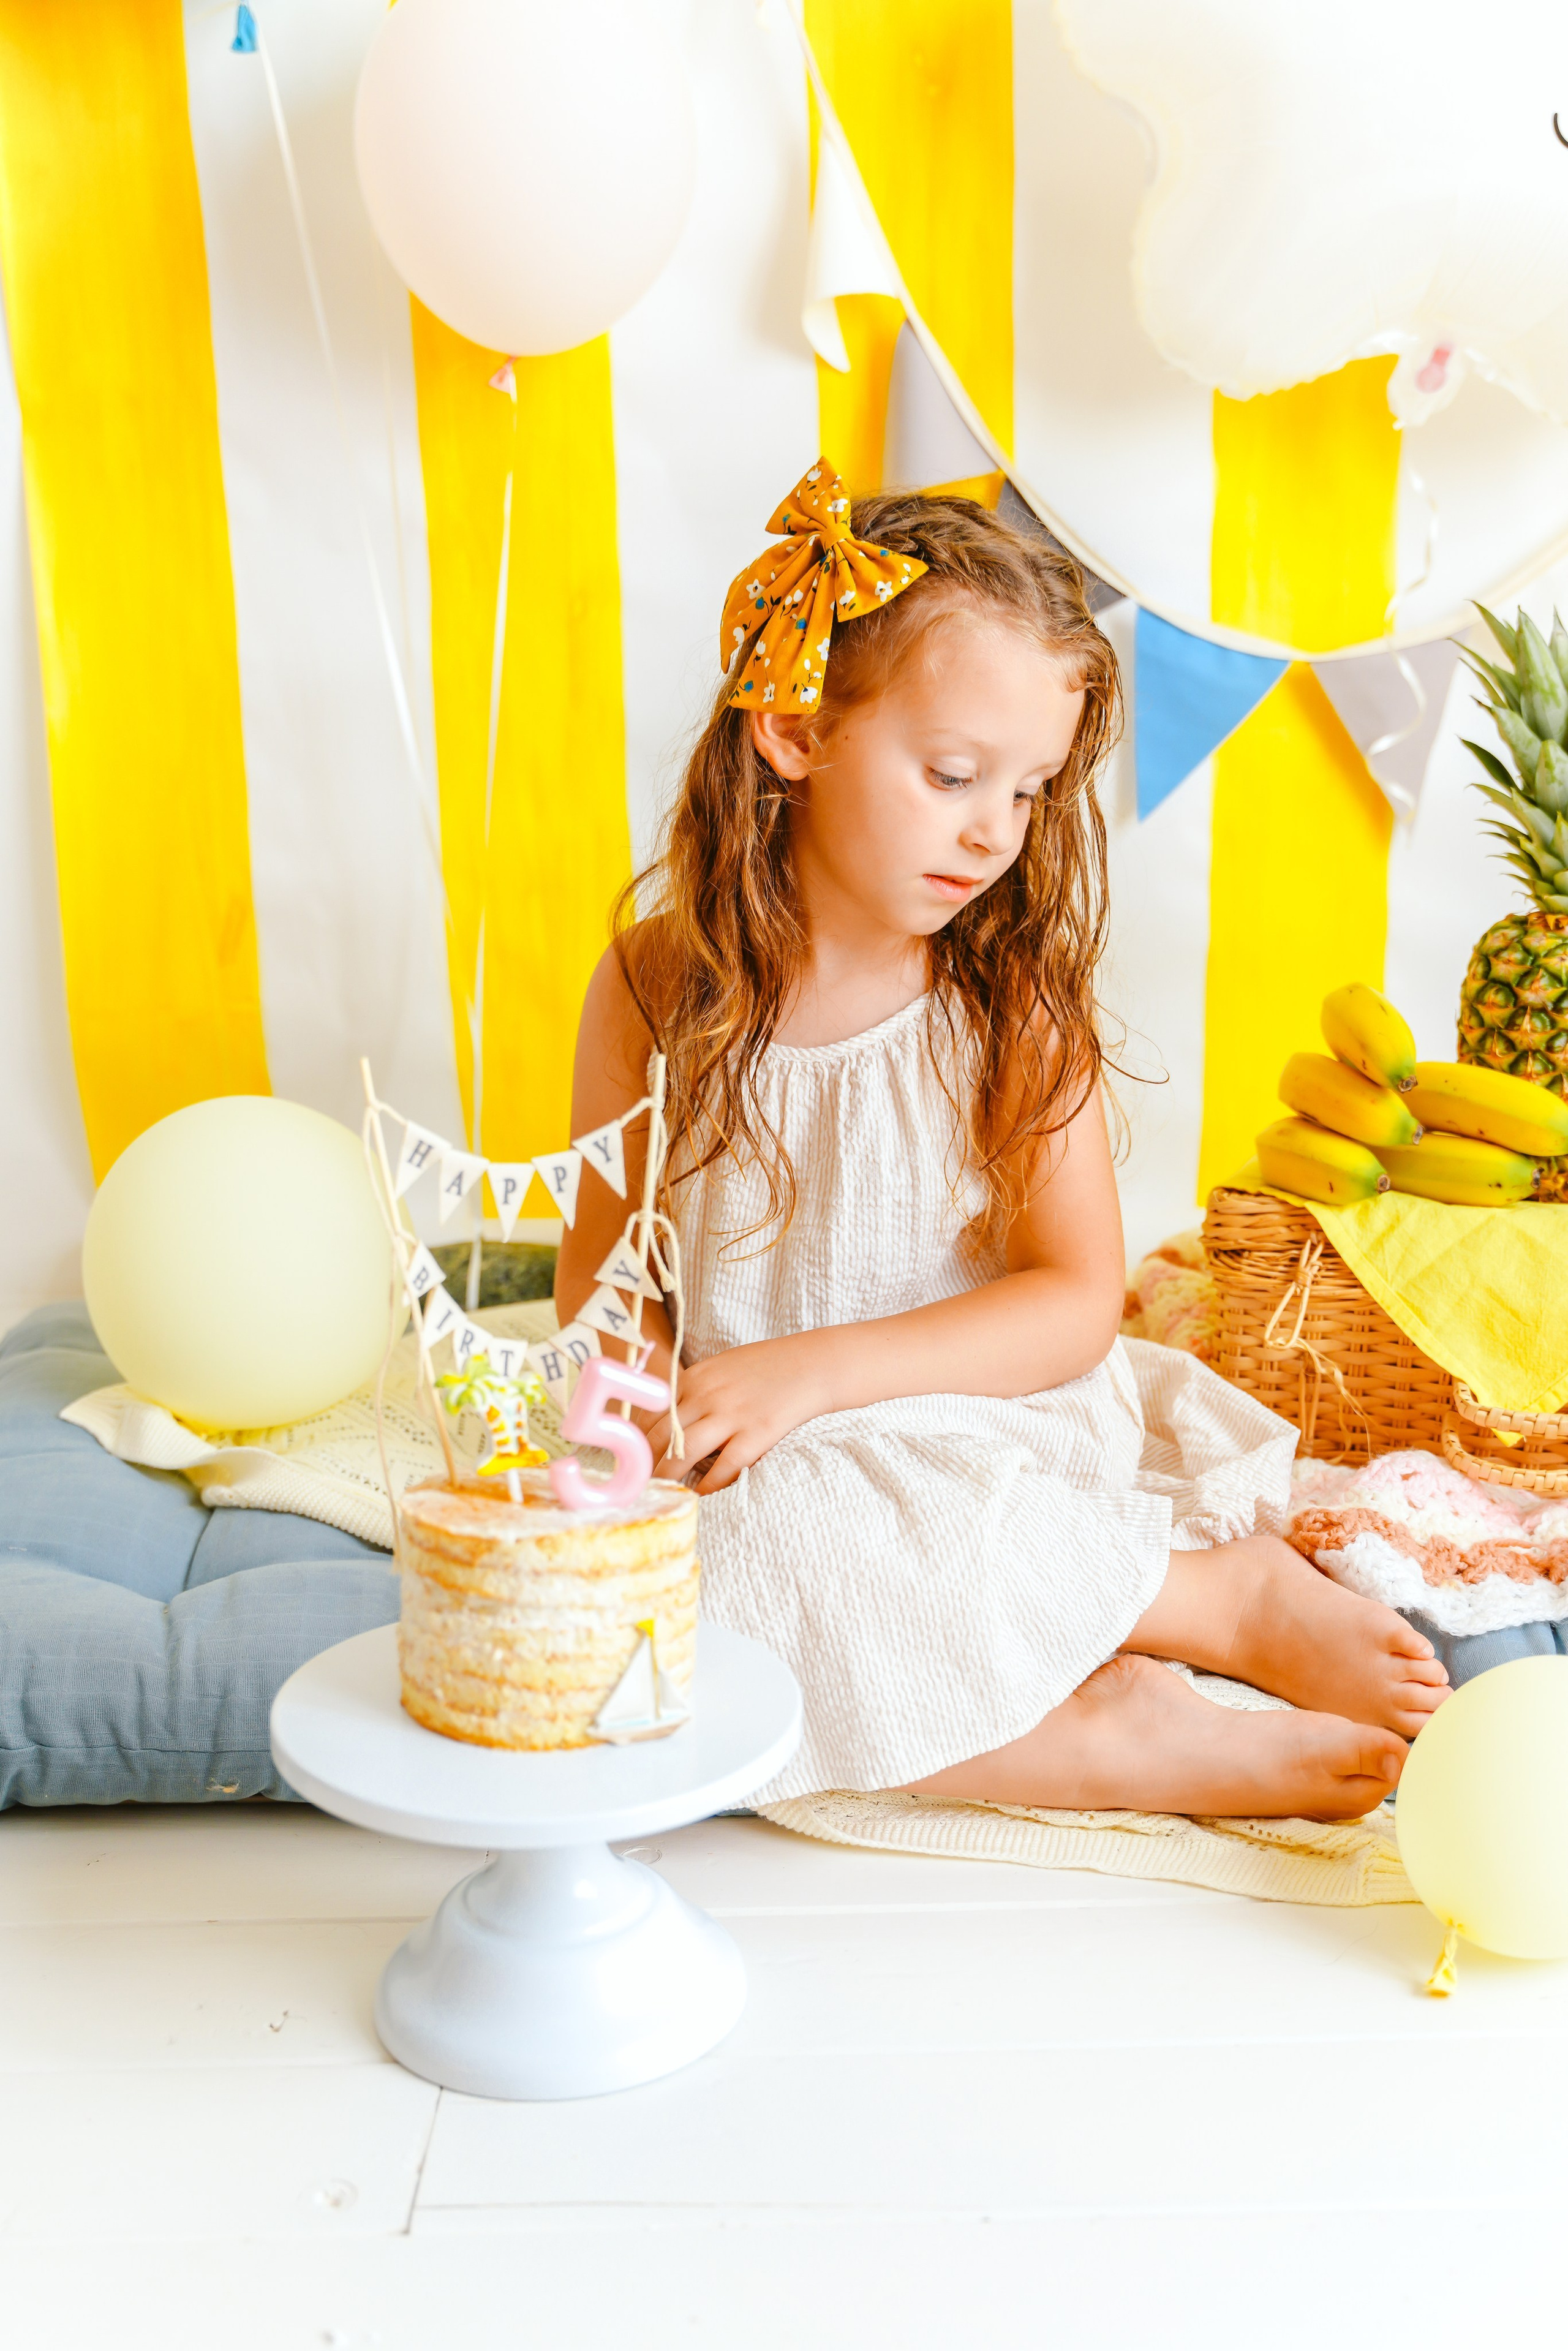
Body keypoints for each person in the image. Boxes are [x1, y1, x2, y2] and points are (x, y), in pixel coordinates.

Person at [557, 460, 1449, 1814]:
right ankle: (1095, 1718)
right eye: (954, 775)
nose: (993, 834)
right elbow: (610, 1264)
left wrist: (814, 1373)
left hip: (974, 1414)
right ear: (795, 730)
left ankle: (1203, 1603)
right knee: (657, 1623)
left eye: (1028, 791)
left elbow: (1077, 1300)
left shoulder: (1002, 1004)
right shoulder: (654, 985)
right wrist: (625, 1413)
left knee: (826, 1528)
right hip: (745, 1430)